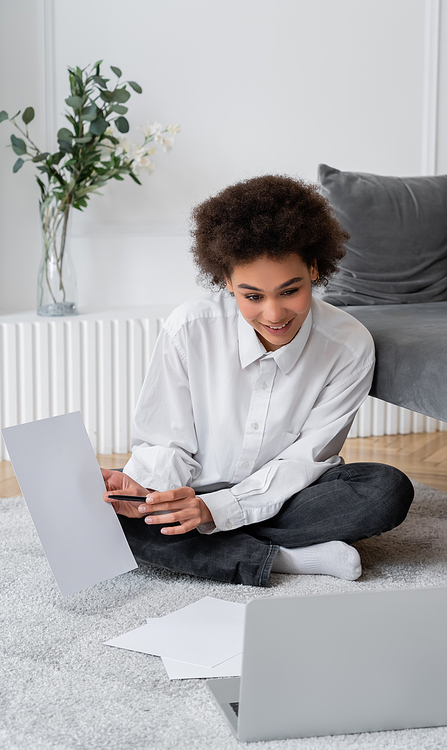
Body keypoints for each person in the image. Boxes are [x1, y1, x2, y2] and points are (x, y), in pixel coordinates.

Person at [102, 174, 414, 586]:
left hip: (283, 496)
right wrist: (149, 492)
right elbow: (166, 442)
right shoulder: (189, 328)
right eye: (252, 296)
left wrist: (218, 510)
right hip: (192, 490)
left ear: (314, 269)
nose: (273, 314)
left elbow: (306, 461)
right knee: (108, 517)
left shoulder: (349, 345)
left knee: (386, 490)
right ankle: (285, 557)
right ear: (227, 282)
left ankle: (219, 544)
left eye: (290, 291)